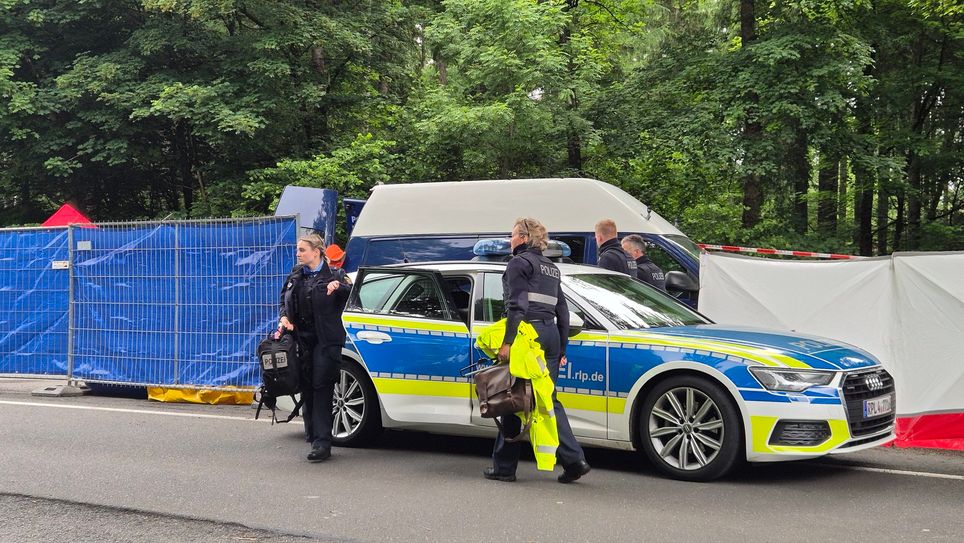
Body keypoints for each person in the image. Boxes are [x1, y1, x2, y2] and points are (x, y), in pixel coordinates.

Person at [484, 217, 591, 484]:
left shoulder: (518, 264)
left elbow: (517, 306)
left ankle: (505, 468)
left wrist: (507, 342)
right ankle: (574, 460)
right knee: (547, 399)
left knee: (512, 395)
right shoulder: (551, 267)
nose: (509, 240)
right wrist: (562, 346)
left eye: (511, 235)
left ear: (522, 237)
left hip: (526, 335)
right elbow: (562, 311)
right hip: (551, 335)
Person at [278, 233, 352, 462]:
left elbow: (353, 295)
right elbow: (284, 300)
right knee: (306, 385)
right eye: (298, 250)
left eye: (302, 250)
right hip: (301, 338)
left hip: (326, 340)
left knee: (322, 386)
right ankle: (312, 434)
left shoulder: (336, 275)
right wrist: (284, 318)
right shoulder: (295, 275)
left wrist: (338, 287)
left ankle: (322, 443)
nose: (298, 253)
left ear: (316, 251)